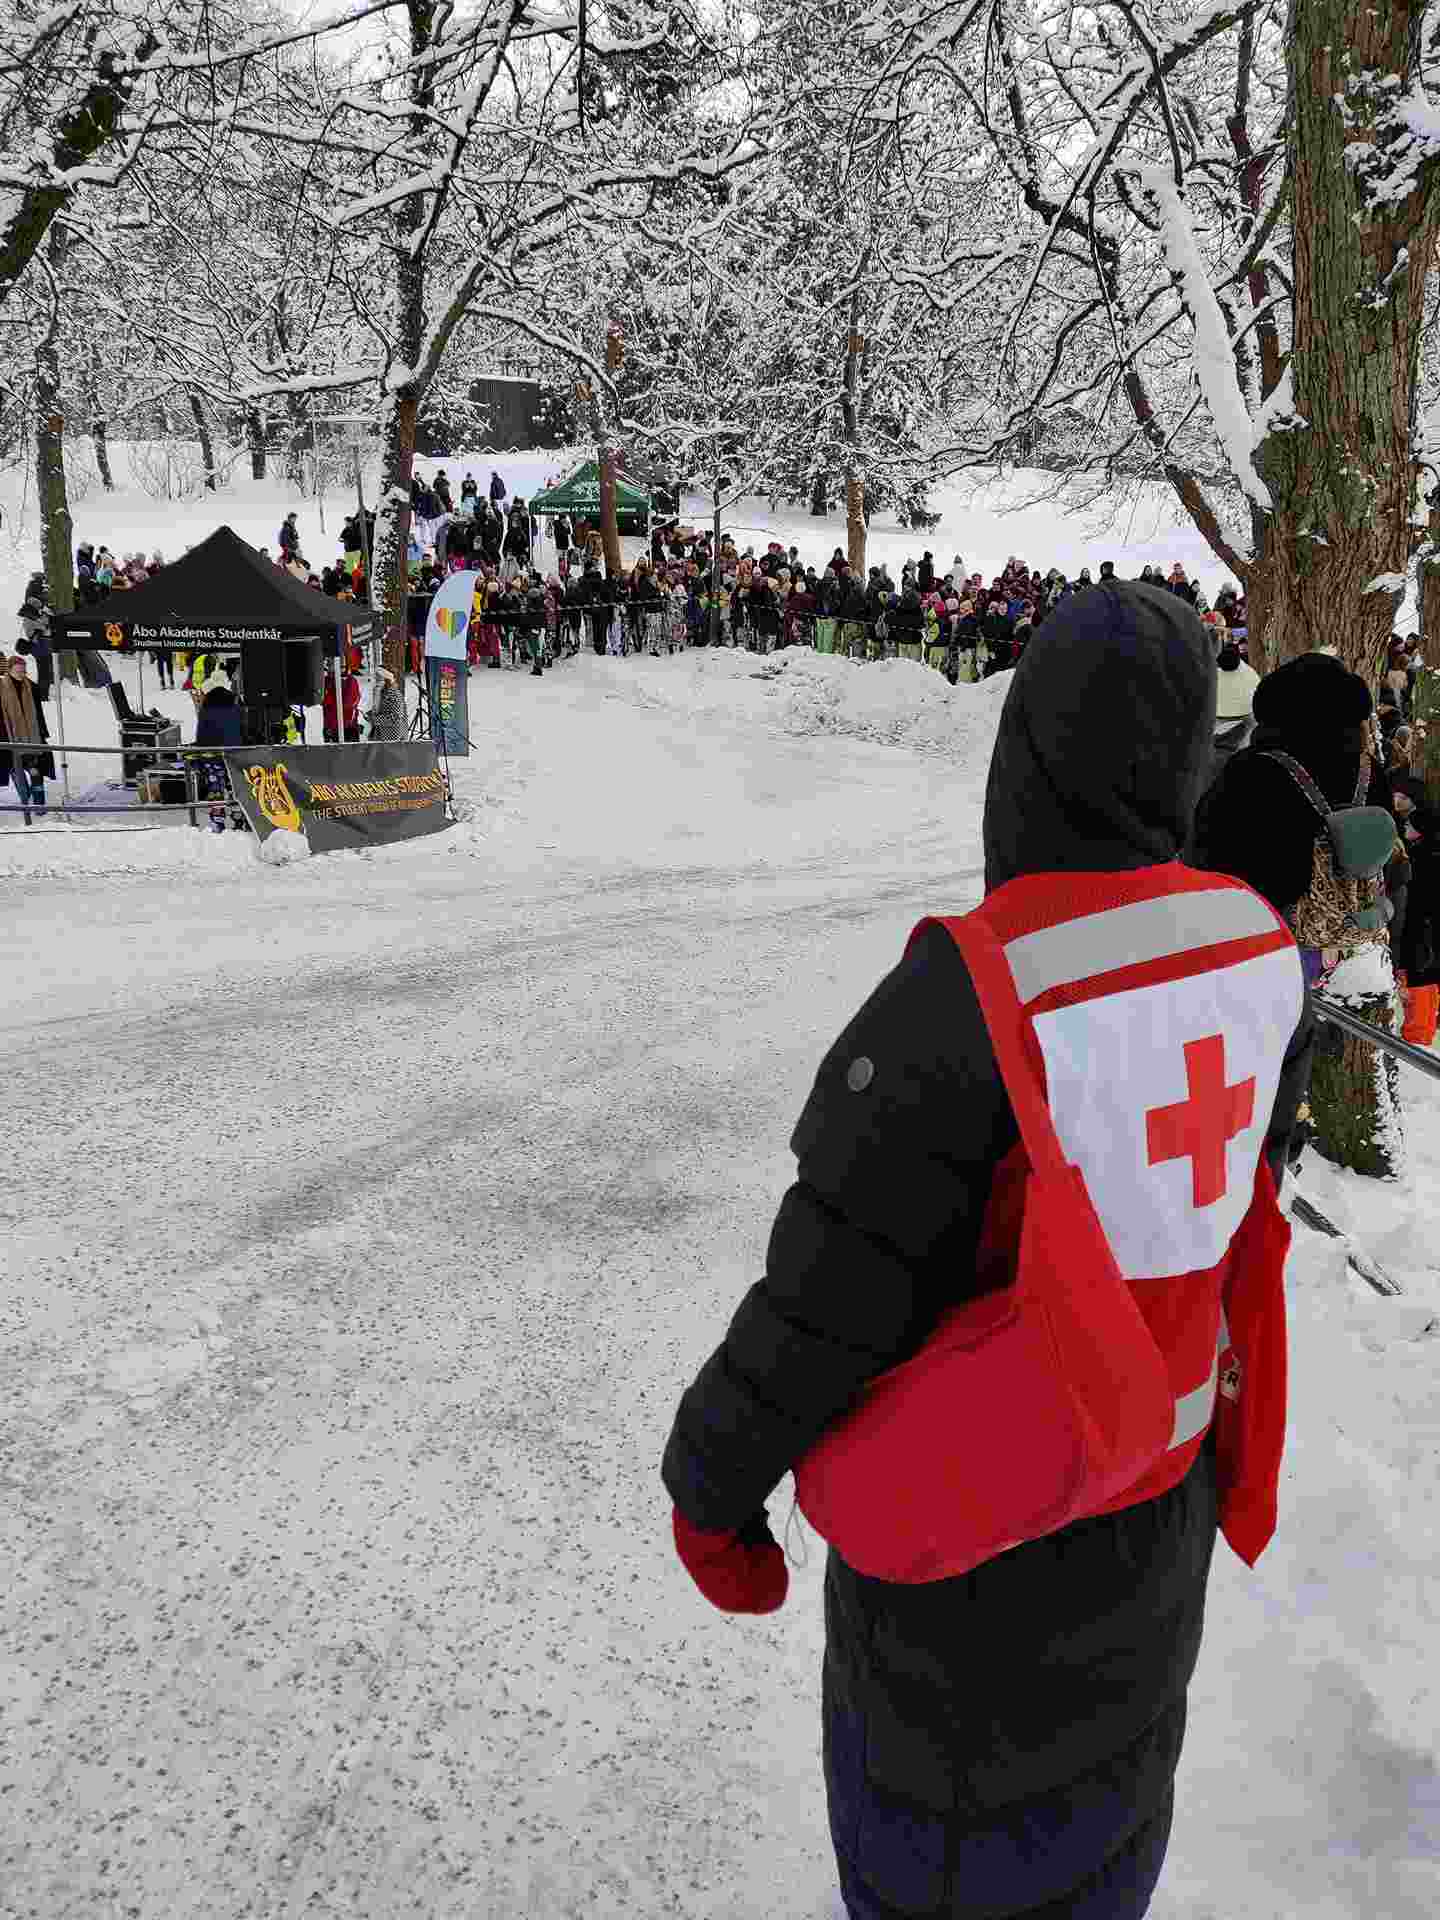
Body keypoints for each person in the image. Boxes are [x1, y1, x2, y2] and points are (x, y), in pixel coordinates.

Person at [662, 581, 1312, 1920]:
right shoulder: (1258, 953)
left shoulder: (963, 995)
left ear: (1023, 758)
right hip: (1156, 1519)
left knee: (943, 1866)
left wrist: (710, 1492)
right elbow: (1250, 1182)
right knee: (1107, 1835)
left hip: (972, 1574)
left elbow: (822, 1305)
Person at [1191, 651, 1391, 989]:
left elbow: (1207, 854)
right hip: (1355, 933)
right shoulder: (1369, 769)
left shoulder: (1251, 772)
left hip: (1266, 936)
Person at [0, 652, 57, 822]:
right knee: (17, 773)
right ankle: (26, 805)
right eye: (18, 671)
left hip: (32, 739)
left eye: (23, 671)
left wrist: (42, 733)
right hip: (11, 740)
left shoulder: (30, 687)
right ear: (9, 671)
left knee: (35, 771)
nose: (21, 674)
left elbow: (38, 713)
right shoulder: (2, 687)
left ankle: (39, 806)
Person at [322, 665, 362, 743]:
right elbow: (323, 701)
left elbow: (349, 703)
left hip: (346, 728)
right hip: (332, 727)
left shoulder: (350, 681)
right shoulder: (326, 681)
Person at [368, 667, 407, 740]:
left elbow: (396, 718)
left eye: (378, 678)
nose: (376, 681)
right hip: (381, 734)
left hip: (391, 737)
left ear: (387, 679)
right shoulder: (382, 693)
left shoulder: (394, 694)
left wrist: (375, 719)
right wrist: (371, 714)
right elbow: (383, 711)